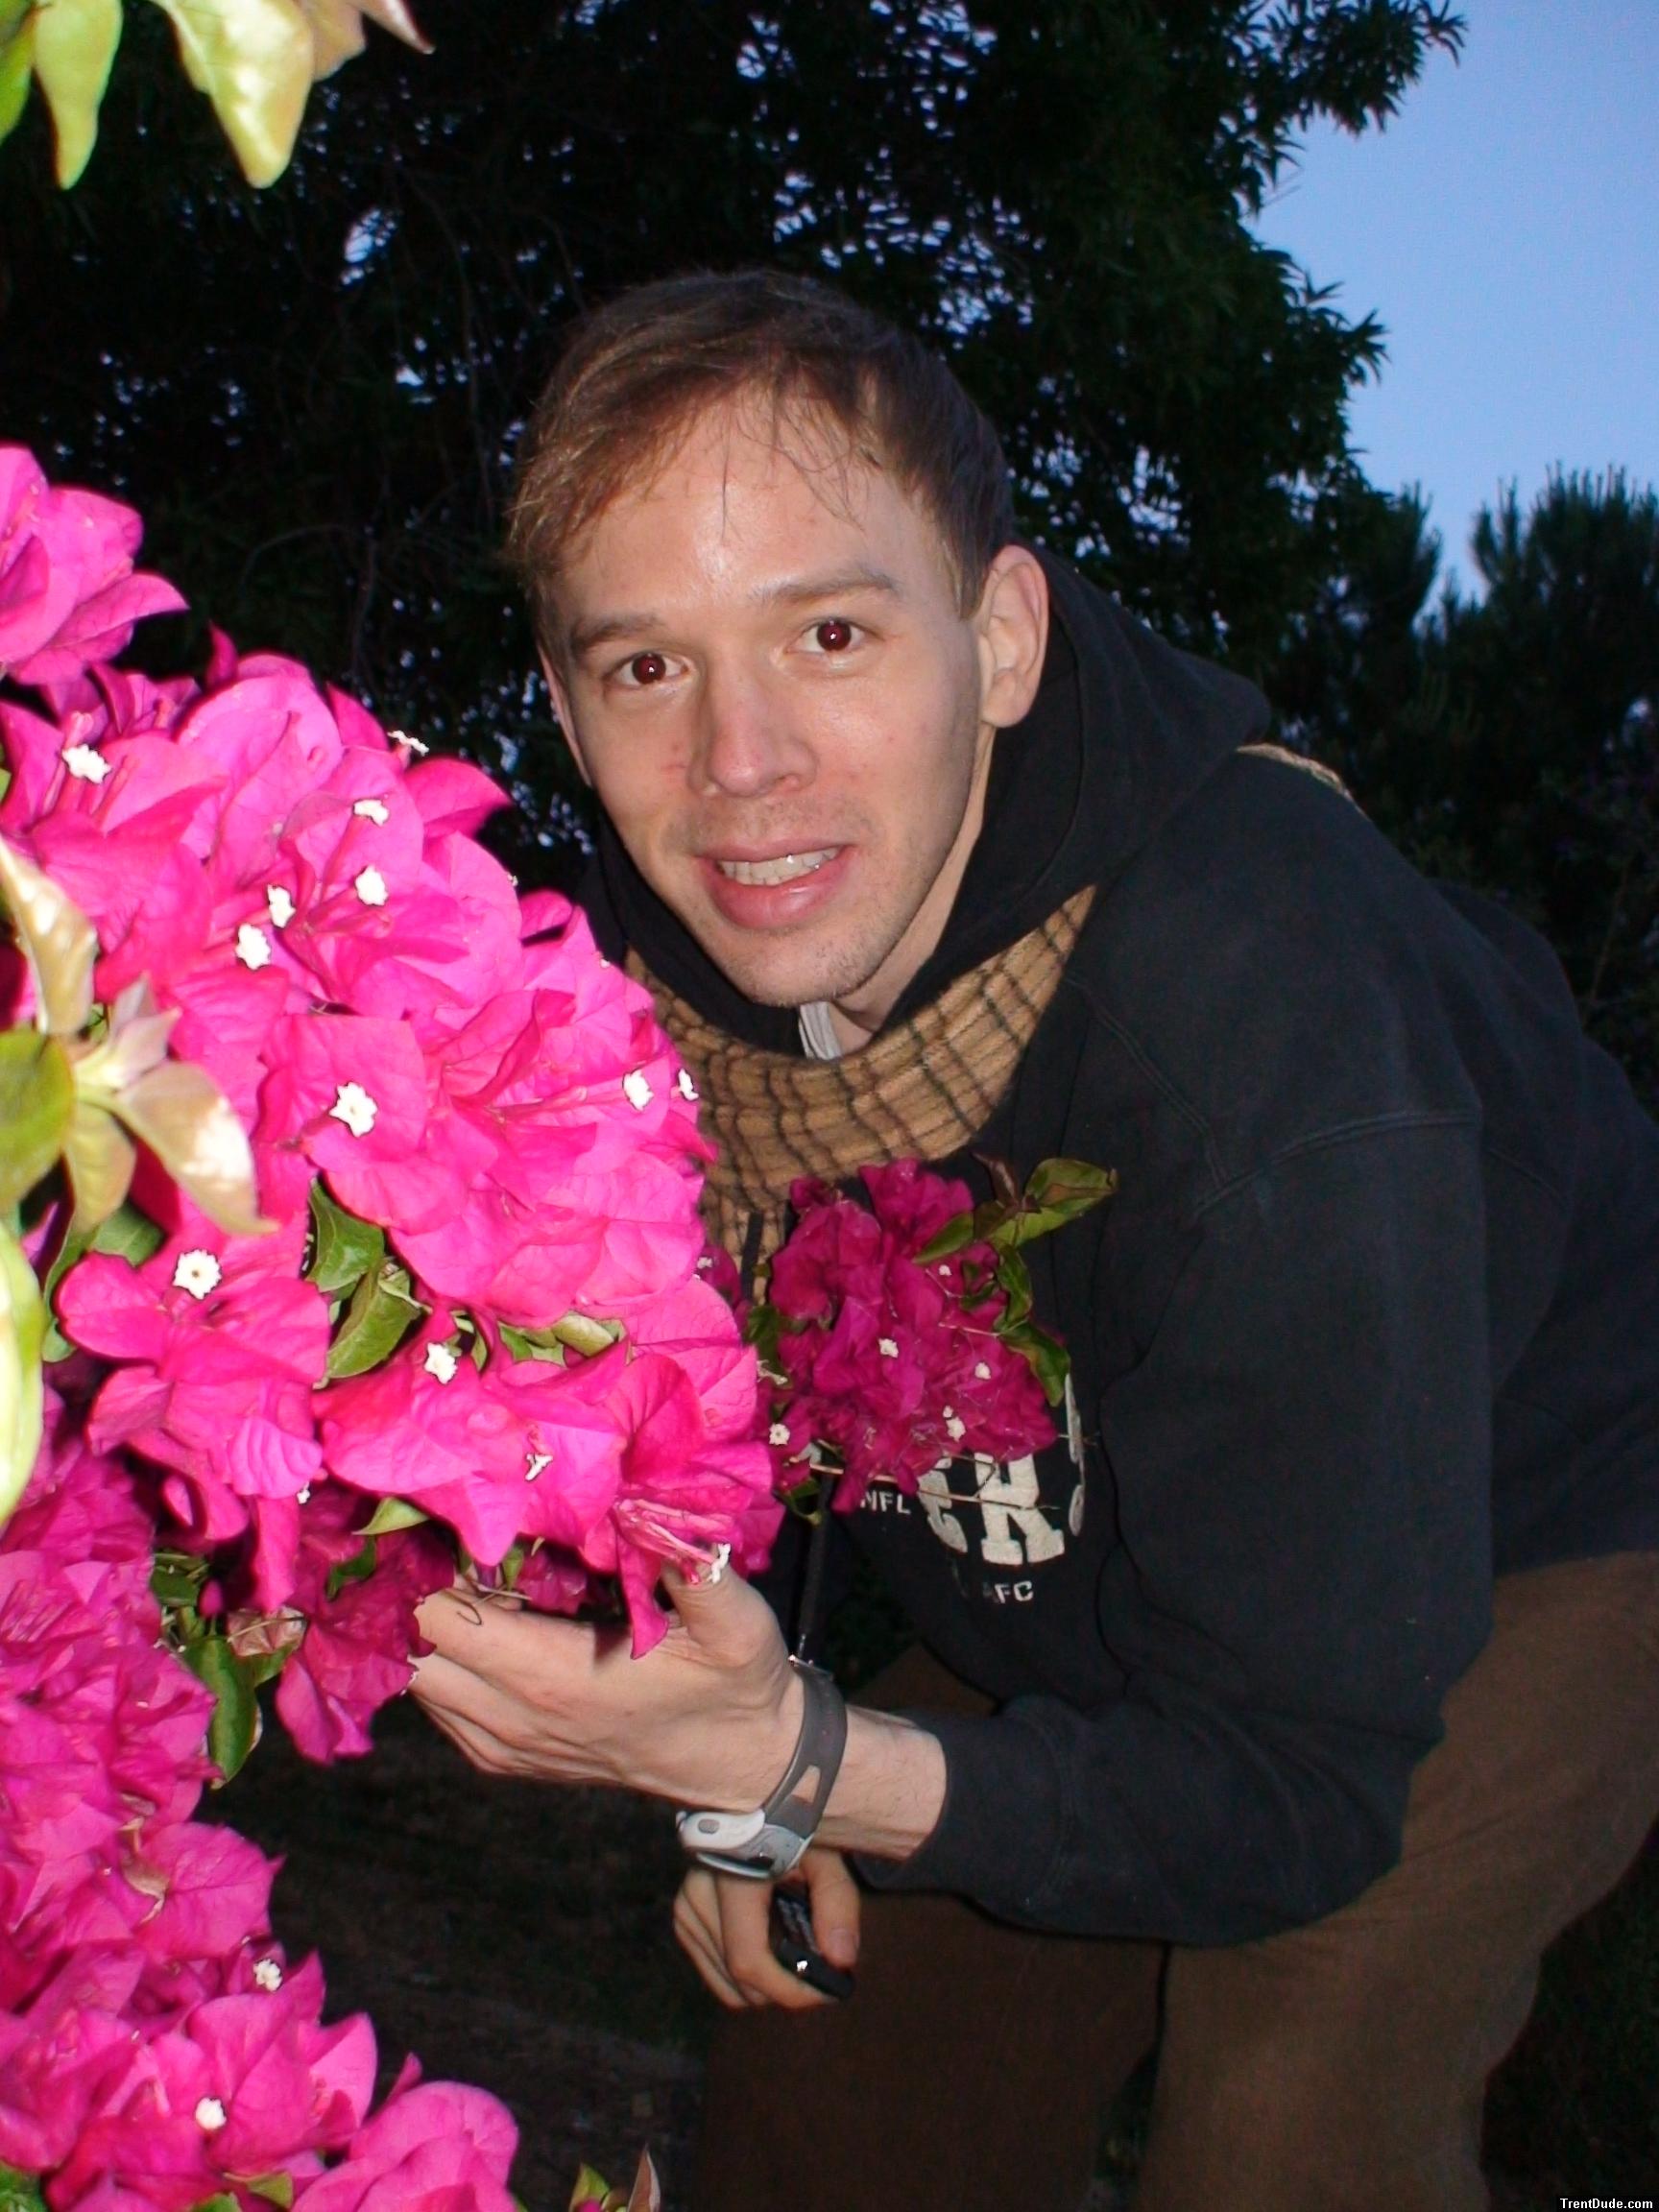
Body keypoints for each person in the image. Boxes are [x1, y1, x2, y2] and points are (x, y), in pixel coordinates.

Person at [411, 270, 1659, 2212]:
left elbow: (1295, 1787)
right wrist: (757, 1776)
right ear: (569, 710)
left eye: (830, 632)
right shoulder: (637, 999)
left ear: (1000, 637)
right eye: (648, 667)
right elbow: (726, 1414)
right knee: (838, 2064)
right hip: (1086, 1572)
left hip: (1531, 1528)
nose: (740, 763)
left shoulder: (1264, 1016)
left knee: (1289, 2109)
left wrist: (797, 1762)